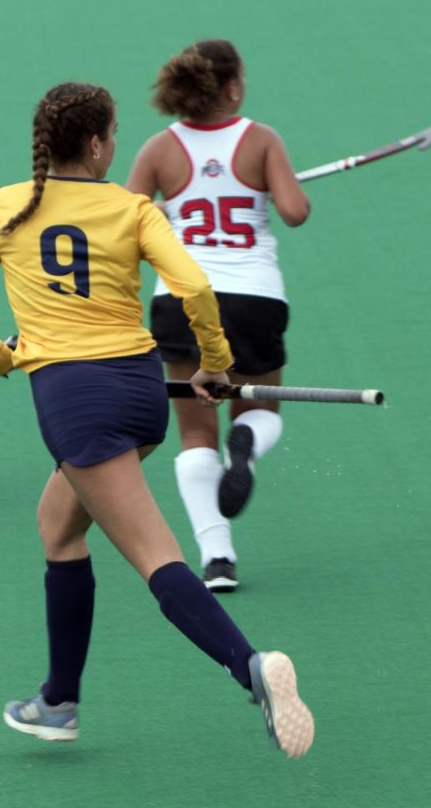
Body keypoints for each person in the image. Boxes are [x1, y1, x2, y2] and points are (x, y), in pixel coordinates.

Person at [0, 82, 314, 757]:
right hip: (142, 394)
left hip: (76, 402)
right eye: (112, 133)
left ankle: (251, 666)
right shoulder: (132, 207)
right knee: (58, 526)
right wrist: (214, 365)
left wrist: (8, 360)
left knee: (156, 558)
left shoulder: (6, 208)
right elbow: (194, 287)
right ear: (95, 144)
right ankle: (58, 699)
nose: (115, 143)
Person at [126, 39, 310, 591]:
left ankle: (217, 560)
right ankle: (247, 447)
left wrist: (157, 210)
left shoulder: (160, 148)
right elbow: (296, 212)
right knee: (262, 410)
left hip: (181, 300)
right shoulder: (260, 139)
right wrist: (277, 190)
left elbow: (125, 223)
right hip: (253, 296)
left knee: (195, 435)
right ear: (231, 87)